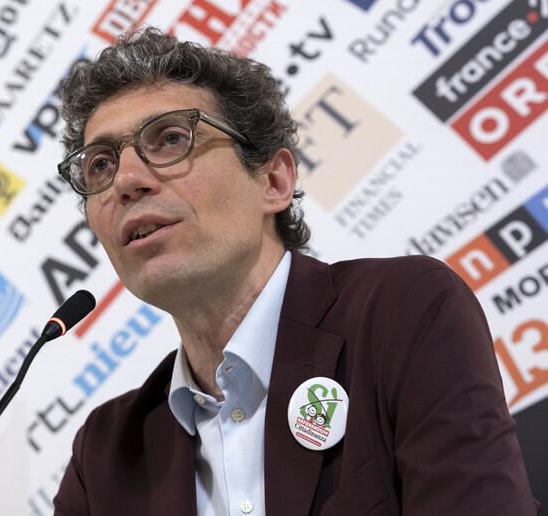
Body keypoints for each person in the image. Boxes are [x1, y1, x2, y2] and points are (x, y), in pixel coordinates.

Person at [52, 26, 538, 515]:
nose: (126, 180)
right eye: (100, 165)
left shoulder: (403, 313)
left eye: (171, 138)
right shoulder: (103, 457)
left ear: (273, 181)